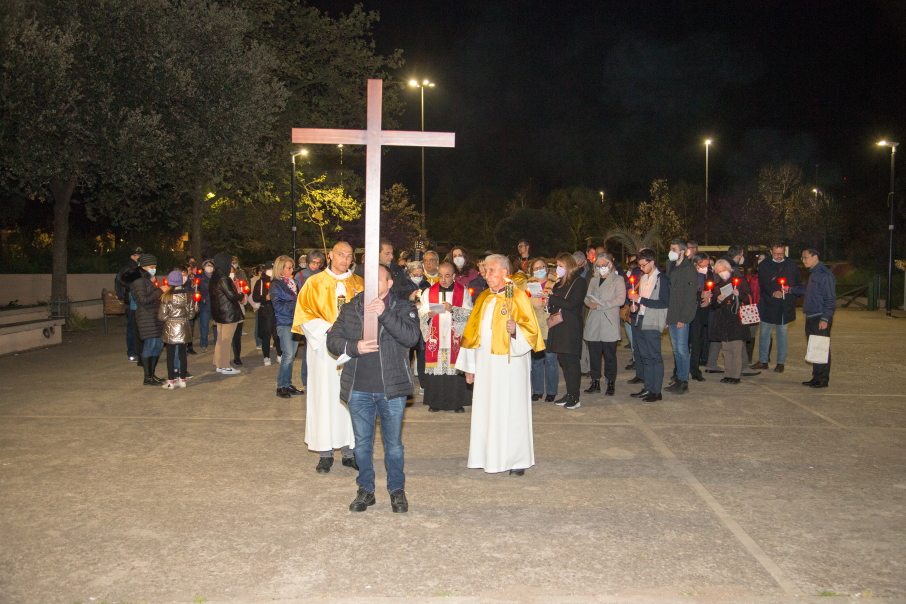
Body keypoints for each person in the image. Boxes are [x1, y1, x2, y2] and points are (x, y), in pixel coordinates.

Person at [327, 264, 420, 513]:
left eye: (378, 279)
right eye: (369, 279)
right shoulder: (351, 307)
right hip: (359, 389)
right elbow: (333, 339)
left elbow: (411, 338)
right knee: (362, 444)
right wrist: (354, 346)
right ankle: (366, 489)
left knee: (394, 445)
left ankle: (397, 490)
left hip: (391, 389)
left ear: (390, 283)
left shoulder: (403, 307)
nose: (372, 283)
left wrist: (384, 314)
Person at [455, 254, 544, 476]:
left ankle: (516, 459)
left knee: (511, 411)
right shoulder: (484, 298)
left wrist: (516, 332)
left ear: (505, 272)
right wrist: (469, 365)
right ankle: (488, 456)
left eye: (491, 270)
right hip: (485, 366)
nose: (486, 275)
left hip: (510, 366)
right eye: (485, 270)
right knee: (487, 410)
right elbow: (472, 332)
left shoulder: (518, 297)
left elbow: (533, 333)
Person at [293, 241, 363, 473]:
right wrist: (328, 328)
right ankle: (325, 452)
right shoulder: (314, 283)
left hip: (351, 348)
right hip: (323, 349)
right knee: (324, 398)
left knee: (350, 398)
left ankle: (349, 451)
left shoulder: (359, 284)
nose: (345, 259)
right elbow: (304, 314)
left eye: (349, 255)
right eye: (340, 254)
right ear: (330, 256)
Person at [418, 261, 473, 413]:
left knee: (455, 370)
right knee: (437, 369)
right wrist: (427, 314)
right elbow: (421, 311)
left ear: (454, 276)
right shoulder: (429, 292)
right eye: (440, 276)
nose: (443, 280)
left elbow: (470, 314)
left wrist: (453, 309)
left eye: (447, 276)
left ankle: (457, 403)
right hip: (436, 337)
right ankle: (435, 402)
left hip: (454, 337)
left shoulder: (463, 292)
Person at [627, 248, 670, 402]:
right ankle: (648, 387)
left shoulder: (661, 279)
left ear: (652, 262)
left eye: (644, 265)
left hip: (653, 321)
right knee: (644, 356)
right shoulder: (643, 278)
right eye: (639, 265)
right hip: (640, 319)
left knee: (654, 356)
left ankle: (656, 391)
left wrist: (640, 300)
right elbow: (640, 301)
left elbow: (664, 303)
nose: (641, 268)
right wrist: (635, 306)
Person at [788, 248, 836, 388]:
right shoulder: (814, 274)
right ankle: (816, 377)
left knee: (821, 347)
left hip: (820, 316)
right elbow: (806, 289)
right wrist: (790, 290)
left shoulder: (824, 275)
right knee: (815, 347)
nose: (803, 260)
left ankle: (822, 379)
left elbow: (831, 299)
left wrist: (825, 318)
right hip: (812, 316)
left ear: (815, 257)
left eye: (806, 257)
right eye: (802, 258)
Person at [547, 252, 588, 409]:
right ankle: (569, 393)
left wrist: (552, 298)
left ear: (569, 266)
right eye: (557, 265)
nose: (558, 268)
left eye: (561, 266)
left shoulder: (579, 282)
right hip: (559, 325)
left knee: (572, 361)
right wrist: (548, 300)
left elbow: (572, 304)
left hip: (571, 325)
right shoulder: (559, 283)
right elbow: (555, 304)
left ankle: (575, 396)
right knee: (563, 360)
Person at [752, 244, 802, 373]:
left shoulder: (791, 263)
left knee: (782, 333)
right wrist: (773, 292)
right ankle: (763, 360)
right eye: (776, 254)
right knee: (764, 332)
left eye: (781, 254)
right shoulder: (764, 264)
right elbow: (763, 283)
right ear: (771, 251)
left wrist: (791, 296)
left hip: (785, 304)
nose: (779, 257)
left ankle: (780, 362)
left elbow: (797, 282)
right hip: (769, 303)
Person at [583, 252, 626, 396]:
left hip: (609, 322)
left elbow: (620, 299)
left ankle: (610, 382)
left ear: (610, 264)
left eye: (604, 265)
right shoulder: (594, 280)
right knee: (594, 354)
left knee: (609, 355)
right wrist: (590, 302)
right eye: (598, 265)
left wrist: (601, 305)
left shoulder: (617, 279)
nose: (601, 268)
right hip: (594, 321)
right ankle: (595, 381)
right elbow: (586, 298)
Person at [708, 259, 753, 384]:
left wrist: (739, 295)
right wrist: (718, 300)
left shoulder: (740, 281)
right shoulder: (717, 285)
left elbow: (750, 298)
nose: (722, 273)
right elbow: (714, 305)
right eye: (719, 271)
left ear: (729, 269)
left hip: (736, 318)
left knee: (736, 348)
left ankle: (736, 375)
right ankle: (728, 373)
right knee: (726, 348)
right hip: (723, 319)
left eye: (723, 270)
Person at [123, 254, 165, 385]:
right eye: (151, 267)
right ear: (142, 266)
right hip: (146, 317)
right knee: (150, 345)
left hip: (154, 316)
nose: (154, 269)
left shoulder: (146, 279)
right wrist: (160, 291)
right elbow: (143, 300)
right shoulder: (139, 280)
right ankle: (148, 377)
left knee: (158, 345)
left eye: (155, 267)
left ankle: (152, 374)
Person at [664, 239, 698, 395]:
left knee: (682, 349)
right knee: (676, 350)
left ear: (682, 251)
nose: (671, 251)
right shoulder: (671, 267)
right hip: (672, 315)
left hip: (681, 316)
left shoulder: (689, 269)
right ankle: (678, 378)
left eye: (673, 249)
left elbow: (691, 297)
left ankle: (684, 380)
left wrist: (684, 318)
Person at [271, 255, 303, 398]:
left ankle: (287, 383)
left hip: (296, 322)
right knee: (288, 355)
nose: (291, 270)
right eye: (288, 267)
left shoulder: (293, 282)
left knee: (292, 354)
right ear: (280, 269)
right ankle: (281, 386)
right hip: (284, 322)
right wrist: (296, 305)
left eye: (292, 267)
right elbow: (277, 306)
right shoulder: (276, 284)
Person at [158, 270, 196, 389]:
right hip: (184, 326)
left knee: (170, 354)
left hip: (171, 327)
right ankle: (183, 379)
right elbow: (191, 314)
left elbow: (162, 316)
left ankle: (171, 381)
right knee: (182, 354)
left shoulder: (166, 296)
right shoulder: (188, 295)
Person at [527, 257, 558, 402]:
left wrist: (548, 300)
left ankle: (551, 391)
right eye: (536, 268)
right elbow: (525, 303)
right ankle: (538, 390)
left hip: (550, 324)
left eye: (542, 267)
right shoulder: (528, 284)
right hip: (535, 325)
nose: (539, 271)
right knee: (536, 360)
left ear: (547, 268)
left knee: (551, 359)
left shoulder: (555, 283)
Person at [208, 253, 244, 375]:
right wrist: (241, 295)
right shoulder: (224, 278)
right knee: (226, 340)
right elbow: (232, 295)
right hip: (228, 313)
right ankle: (225, 365)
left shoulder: (214, 277)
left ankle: (218, 363)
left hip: (219, 312)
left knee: (220, 339)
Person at [688, 252, 713, 382]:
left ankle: (695, 369)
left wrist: (709, 299)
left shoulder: (708, 275)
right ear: (695, 264)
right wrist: (700, 295)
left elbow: (712, 290)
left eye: (707, 265)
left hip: (701, 313)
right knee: (684, 343)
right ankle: (680, 370)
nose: (706, 268)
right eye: (703, 265)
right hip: (688, 312)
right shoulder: (688, 274)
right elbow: (686, 292)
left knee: (697, 343)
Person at [115, 246, 143, 362]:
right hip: (132, 302)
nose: (140, 257)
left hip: (137, 301)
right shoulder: (128, 269)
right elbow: (120, 282)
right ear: (133, 256)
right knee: (132, 327)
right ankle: (132, 352)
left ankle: (138, 351)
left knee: (138, 327)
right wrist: (124, 296)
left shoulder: (138, 268)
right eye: (138, 255)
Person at [252, 261, 281, 367]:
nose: (271, 271)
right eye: (270, 269)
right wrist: (265, 297)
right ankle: (266, 356)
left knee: (277, 334)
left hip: (276, 311)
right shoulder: (260, 282)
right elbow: (255, 297)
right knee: (266, 334)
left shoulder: (278, 281)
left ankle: (279, 354)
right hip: (265, 311)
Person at [230, 256, 248, 365]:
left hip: (239, 310)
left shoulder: (239, 279)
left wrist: (243, 297)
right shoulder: (224, 280)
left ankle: (237, 356)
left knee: (237, 336)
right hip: (228, 312)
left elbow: (244, 293)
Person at [196, 259, 215, 352]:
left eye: (211, 265)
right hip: (205, 304)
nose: (209, 267)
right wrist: (202, 298)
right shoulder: (199, 277)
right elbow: (196, 290)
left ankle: (217, 342)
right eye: (207, 265)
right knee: (204, 325)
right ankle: (203, 344)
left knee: (216, 324)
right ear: (203, 267)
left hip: (215, 304)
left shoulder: (216, 277)